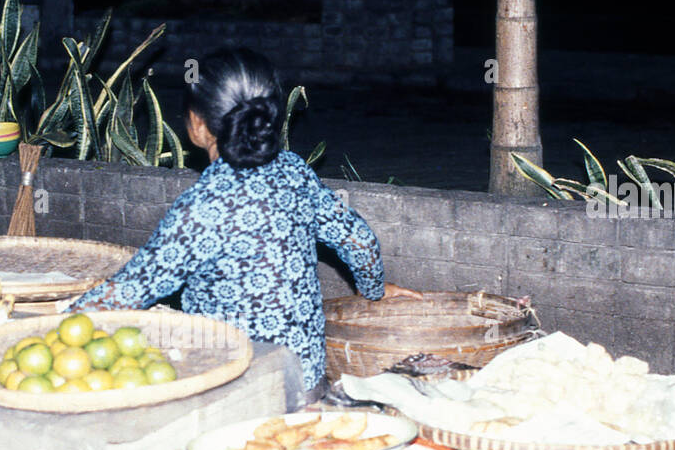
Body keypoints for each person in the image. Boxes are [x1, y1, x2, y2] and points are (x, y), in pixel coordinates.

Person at [71, 48, 421, 402]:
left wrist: (58, 320)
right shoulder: (295, 172)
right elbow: (360, 240)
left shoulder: (204, 206)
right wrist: (374, 290)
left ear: (197, 125)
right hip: (308, 380)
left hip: (239, 391)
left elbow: (131, 290)